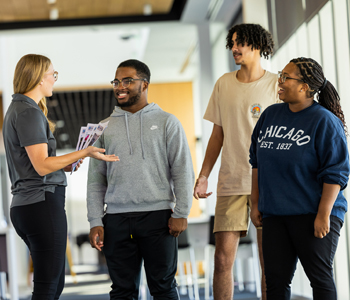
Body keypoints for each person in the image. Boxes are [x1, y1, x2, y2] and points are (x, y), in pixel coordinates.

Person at [2, 54, 119, 300]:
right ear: (37, 78)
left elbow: (35, 164)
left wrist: (65, 164)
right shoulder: (28, 112)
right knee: (48, 287)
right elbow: (42, 166)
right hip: (41, 204)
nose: (54, 80)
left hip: (29, 205)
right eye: (52, 74)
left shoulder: (19, 109)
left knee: (52, 285)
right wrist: (85, 151)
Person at [87, 59, 194, 299]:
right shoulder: (103, 128)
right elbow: (95, 180)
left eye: (127, 81)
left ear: (144, 84)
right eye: (116, 81)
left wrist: (182, 212)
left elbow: (182, 169)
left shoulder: (167, 122)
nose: (119, 86)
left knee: (164, 288)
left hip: (158, 218)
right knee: (122, 291)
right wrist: (95, 219)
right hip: (116, 219)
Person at [249, 57, 349, 300]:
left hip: (313, 213)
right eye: (280, 76)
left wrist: (323, 215)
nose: (279, 82)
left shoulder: (324, 120)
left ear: (305, 87)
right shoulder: (270, 115)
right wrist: (255, 203)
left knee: (319, 278)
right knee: (275, 281)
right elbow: (256, 163)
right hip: (275, 214)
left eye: (286, 77)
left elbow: (336, 172)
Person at [193, 23, 278, 299]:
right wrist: (204, 174)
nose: (234, 48)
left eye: (240, 42)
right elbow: (217, 135)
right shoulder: (223, 83)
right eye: (231, 43)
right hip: (230, 181)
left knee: (270, 262)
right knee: (221, 261)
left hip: (267, 184)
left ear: (258, 45)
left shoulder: (277, 85)